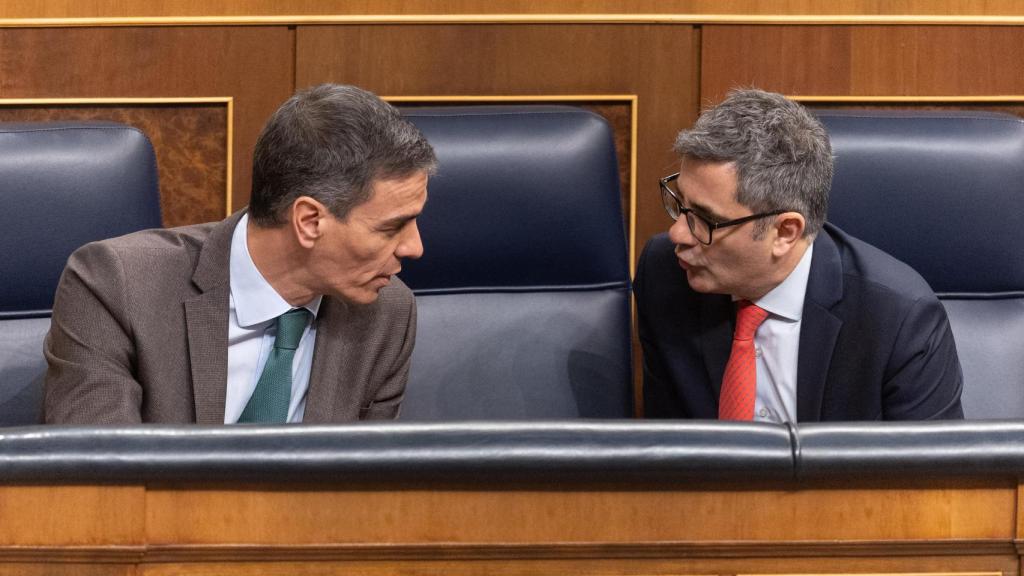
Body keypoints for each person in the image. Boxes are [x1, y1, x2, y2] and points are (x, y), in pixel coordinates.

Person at [43, 83, 436, 424]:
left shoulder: (387, 314)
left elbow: (366, 485)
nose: (414, 247)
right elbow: (102, 481)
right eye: (391, 227)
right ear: (309, 221)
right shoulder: (115, 286)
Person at [635, 88, 963, 422]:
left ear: (785, 232)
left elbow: (933, 473)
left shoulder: (898, 320)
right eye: (681, 203)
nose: (677, 234)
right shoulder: (663, 275)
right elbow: (668, 450)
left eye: (705, 219)